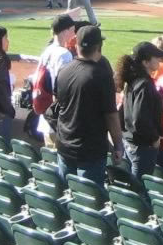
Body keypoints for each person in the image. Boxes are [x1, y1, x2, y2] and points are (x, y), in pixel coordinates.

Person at [48, 24, 120, 187]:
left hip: (65, 144)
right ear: (99, 47)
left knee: (67, 196)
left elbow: (57, 103)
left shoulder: (64, 71)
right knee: (89, 202)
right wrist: (118, 145)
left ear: (77, 44)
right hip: (90, 150)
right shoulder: (101, 75)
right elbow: (111, 115)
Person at [117, 41, 163, 180]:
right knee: (138, 189)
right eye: (156, 57)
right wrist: (155, 138)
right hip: (142, 146)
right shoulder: (144, 84)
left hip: (130, 142)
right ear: (145, 62)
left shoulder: (133, 81)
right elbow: (139, 118)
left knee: (129, 184)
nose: (159, 60)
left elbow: (122, 112)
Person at [27, 14, 77, 141]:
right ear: (65, 31)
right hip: (56, 119)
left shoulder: (47, 50)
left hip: (45, 115)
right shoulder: (64, 54)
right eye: (72, 29)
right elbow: (61, 86)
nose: (74, 32)